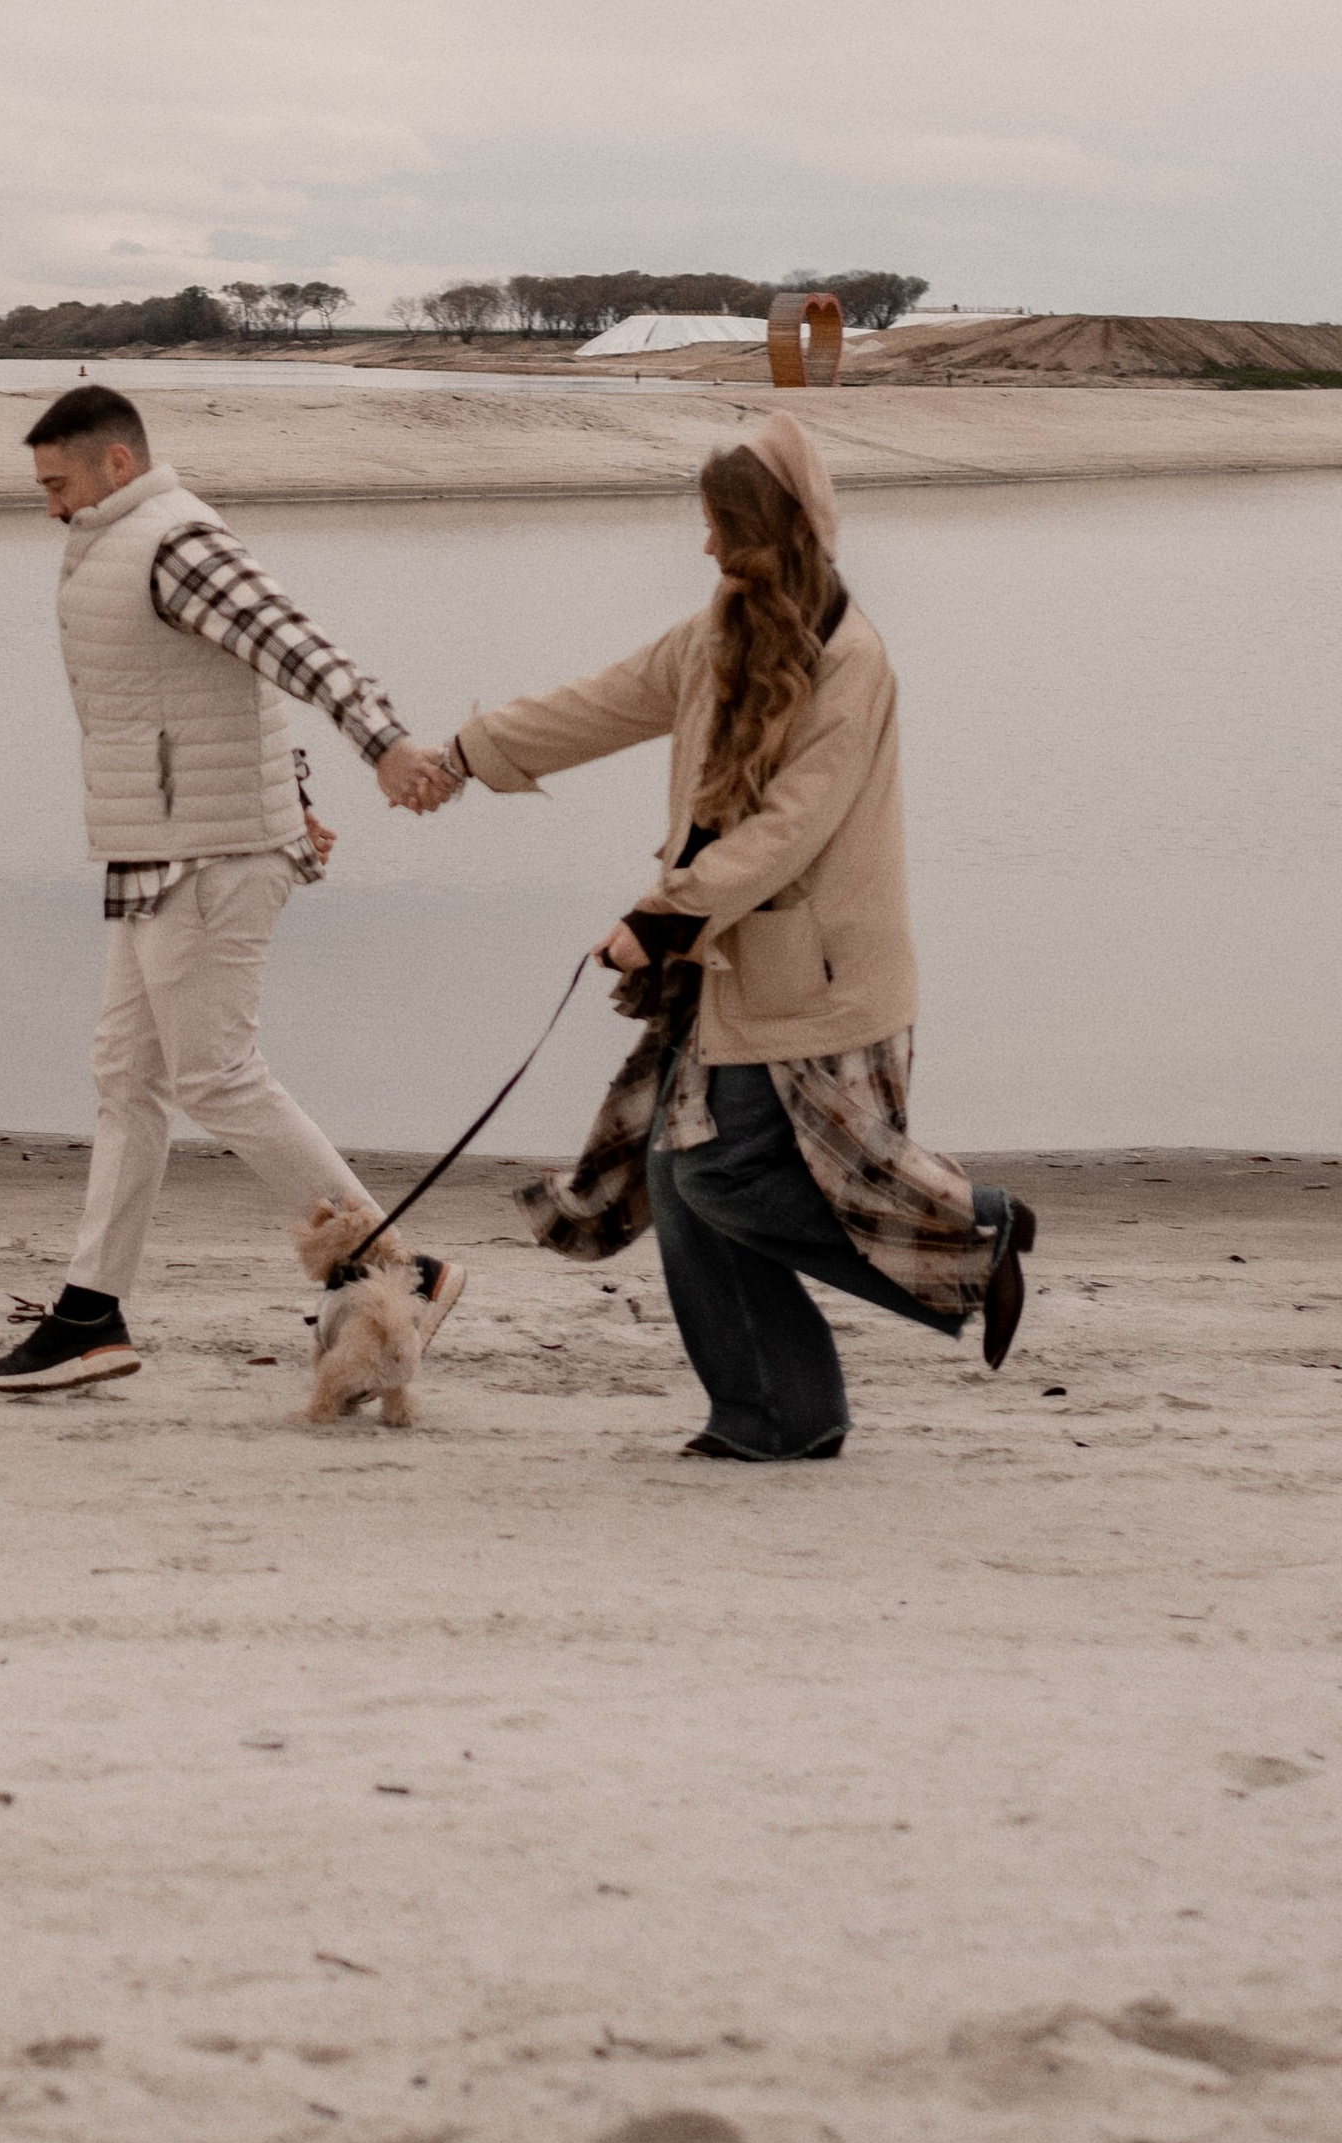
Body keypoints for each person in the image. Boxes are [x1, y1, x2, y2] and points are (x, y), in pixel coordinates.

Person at [416, 412, 1032, 1460]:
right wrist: (466, 754)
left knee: (718, 1176)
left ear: (756, 530)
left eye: (713, 525)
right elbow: (601, 702)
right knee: (676, 1178)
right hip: (725, 963)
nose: (700, 545)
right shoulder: (714, 633)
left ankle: (974, 1232)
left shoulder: (854, 662)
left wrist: (659, 918)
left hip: (813, 981)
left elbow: (792, 831)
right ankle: (777, 1412)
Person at [0, 381, 462, 1393]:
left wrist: (382, 745)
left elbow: (293, 644)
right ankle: (89, 1315)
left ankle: (402, 1272)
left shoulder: (172, 541)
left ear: (116, 463)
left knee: (215, 1078)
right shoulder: (119, 542)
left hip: (207, 858)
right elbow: (210, 693)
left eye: (57, 482)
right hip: (167, 848)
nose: (48, 504)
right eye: (39, 487)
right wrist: (288, 787)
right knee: (126, 1078)